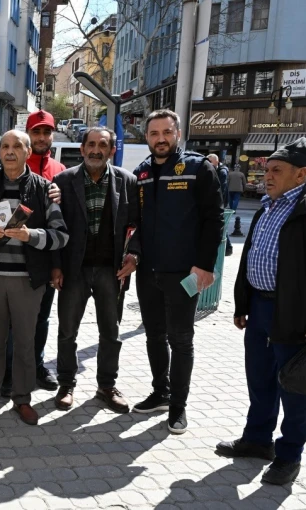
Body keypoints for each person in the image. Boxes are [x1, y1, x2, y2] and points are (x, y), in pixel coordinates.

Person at [217, 138, 306, 486]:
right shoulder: (267, 207)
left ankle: (288, 457)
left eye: (276, 171)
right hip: (259, 309)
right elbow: (250, 259)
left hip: (293, 316)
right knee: (260, 379)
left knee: (295, 388)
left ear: (300, 175)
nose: (267, 176)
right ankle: (257, 440)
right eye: (266, 170)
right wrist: (242, 304)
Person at [131, 110, 224, 434]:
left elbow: (215, 219)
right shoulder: (141, 173)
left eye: (166, 132)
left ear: (178, 133)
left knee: (181, 339)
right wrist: (133, 253)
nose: (160, 139)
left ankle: (177, 407)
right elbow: (138, 224)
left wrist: (205, 265)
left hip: (183, 274)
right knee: (154, 335)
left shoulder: (199, 169)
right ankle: (161, 391)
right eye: (154, 133)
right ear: (147, 137)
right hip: (149, 274)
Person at [0, 130, 68, 425]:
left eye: (16, 147)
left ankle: (22, 399)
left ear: (27, 152)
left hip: (28, 280)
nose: (9, 152)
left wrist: (30, 235)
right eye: (4, 146)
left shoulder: (43, 188)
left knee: (25, 343)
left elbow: (61, 235)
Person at [50, 127, 141, 413]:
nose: (96, 150)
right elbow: (53, 225)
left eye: (103, 145)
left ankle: (106, 386)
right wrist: (55, 265)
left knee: (110, 333)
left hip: (110, 271)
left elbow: (140, 224)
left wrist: (134, 256)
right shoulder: (63, 181)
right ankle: (66, 383)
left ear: (112, 150)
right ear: (82, 148)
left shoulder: (128, 182)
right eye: (91, 144)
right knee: (67, 331)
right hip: (73, 269)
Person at [22, 109, 67, 392]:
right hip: (14, 258)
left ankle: (37, 366)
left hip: (46, 258)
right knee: (14, 320)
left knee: (41, 318)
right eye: (36, 131)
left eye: (45, 132)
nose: (41, 137)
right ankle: (10, 368)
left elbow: (65, 224)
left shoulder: (61, 172)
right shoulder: (12, 163)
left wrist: (57, 264)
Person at [208, 154, 232, 256]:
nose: (209, 164)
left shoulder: (222, 171)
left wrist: (218, 202)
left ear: (216, 162)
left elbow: (222, 188)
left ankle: (228, 247)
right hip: (216, 201)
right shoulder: (214, 169)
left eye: (210, 162)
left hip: (220, 202)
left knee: (219, 222)